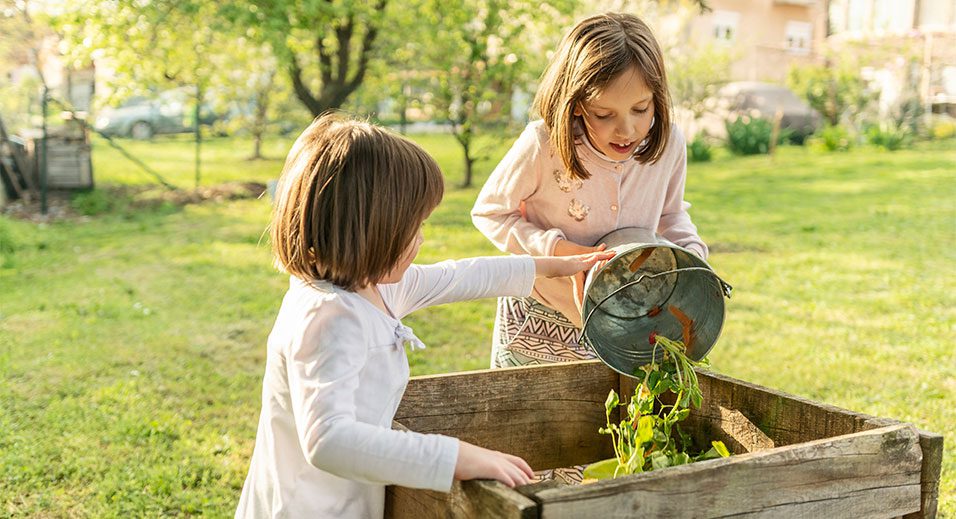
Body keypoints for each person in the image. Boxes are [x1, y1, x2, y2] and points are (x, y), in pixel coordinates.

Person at [236, 113, 613, 518]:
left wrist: (547, 266)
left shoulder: (372, 288)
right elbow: (328, 440)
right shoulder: (328, 318)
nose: (421, 239)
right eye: (413, 228)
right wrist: (454, 457)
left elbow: (459, 276)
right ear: (372, 232)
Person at [472, 12, 709, 369]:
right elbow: (490, 212)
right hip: (538, 317)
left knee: (606, 419)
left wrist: (693, 255)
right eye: (604, 114)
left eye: (641, 109)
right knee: (527, 420)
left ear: (656, 98)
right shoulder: (544, 143)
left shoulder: (669, 143)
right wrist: (557, 251)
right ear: (578, 103)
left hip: (623, 316)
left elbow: (670, 214)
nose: (627, 129)